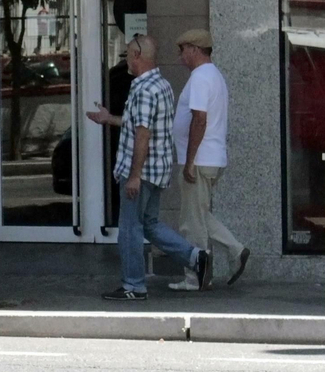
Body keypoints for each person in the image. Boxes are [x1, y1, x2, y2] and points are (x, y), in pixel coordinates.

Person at [86, 35, 210, 301]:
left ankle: (134, 285)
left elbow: (142, 134)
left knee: (130, 228)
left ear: (137, 56)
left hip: (142, 173)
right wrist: (109, 119)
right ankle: (196, 257)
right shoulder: (162, 84)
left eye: (129, 54)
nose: (127, 60)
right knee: (150, 225)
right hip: (158, 170)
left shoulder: (143, 89)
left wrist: (134, 176)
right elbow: (140, 124)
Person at [168, 29, 249, 291]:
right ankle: (237, 250)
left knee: (191, 222)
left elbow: (199, 119)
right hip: (210, 158)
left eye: (183, 50)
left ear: (194, 49)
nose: (181, 57)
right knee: (200, 214)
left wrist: (189, 161)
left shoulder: (201, 78)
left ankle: (195, 277)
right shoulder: (214, 76)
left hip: (200, 160)